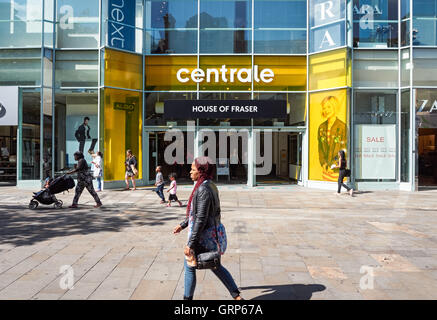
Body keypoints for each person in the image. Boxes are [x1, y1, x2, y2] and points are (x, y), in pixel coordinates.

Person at [173, 157, 243, 300]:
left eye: (193, 169)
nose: (190, 172)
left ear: (201, 171)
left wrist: (191, 243)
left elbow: (200, 219)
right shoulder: (208, 184)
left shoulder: (203, 189)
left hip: (203, 237)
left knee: (190, 266)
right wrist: (183, 224)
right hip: (210, 233)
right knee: (215, 265)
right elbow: (197, 213)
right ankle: (236, 295)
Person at [317, 96, 347, 182]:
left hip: (337, 168)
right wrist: (324, 164)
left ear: (335, 107)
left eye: (329, 107)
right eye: (324, 108)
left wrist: (334, 165)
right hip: (326, 170)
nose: (326, 110)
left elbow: (344, 148)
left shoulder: (342, 127)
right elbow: (320, 149)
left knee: (340, 183)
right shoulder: (321, 127)